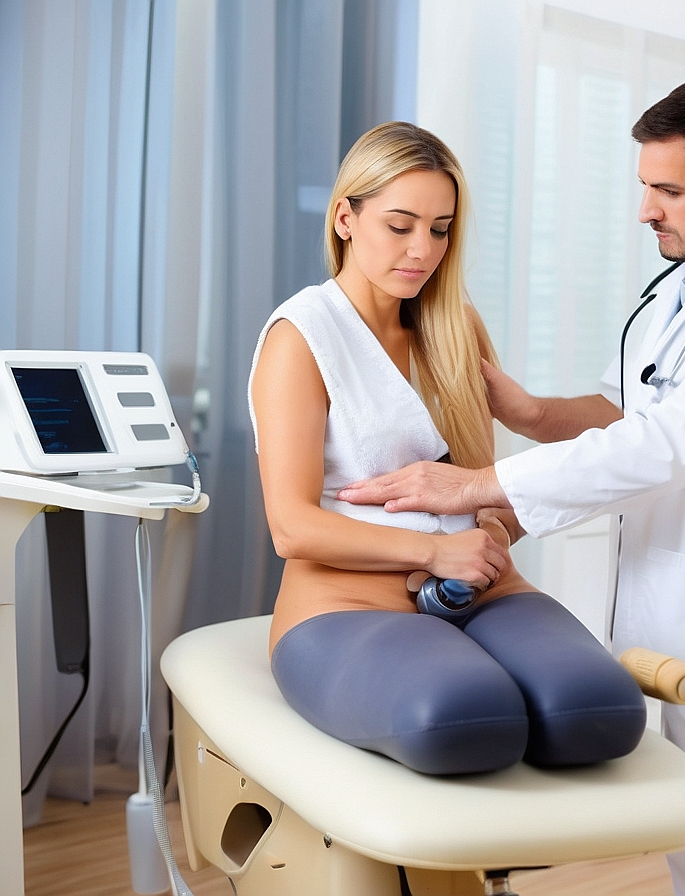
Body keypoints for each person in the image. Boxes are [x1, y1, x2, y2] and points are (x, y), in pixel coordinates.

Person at [338, 81, 685, 895]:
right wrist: (531, 412)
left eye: (667, 190)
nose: (646, 211)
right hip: (664, 598)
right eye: (644, 186)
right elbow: (626, 411)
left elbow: (669, 443)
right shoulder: (684, 286)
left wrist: (477, 486)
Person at [248, 121, 646, 778]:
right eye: (399, 226)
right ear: (345, 218)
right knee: (469, 717)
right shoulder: (304, 336)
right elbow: (292, 527)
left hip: (479, 591)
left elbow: (482, 488)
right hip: (349, 606)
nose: (422, 250)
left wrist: (492, 530)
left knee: (596, 712)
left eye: (440, 229)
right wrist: (433, 551)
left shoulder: (457, 326)